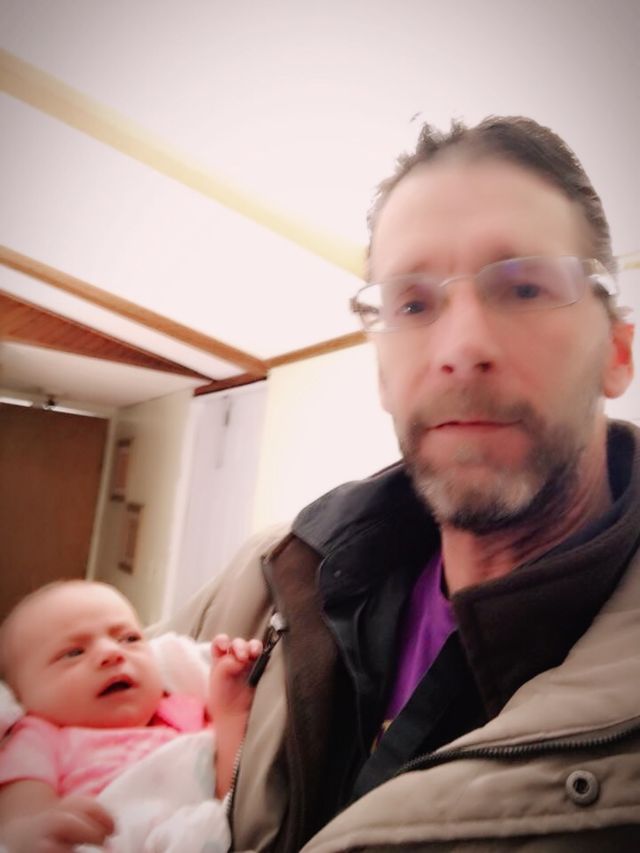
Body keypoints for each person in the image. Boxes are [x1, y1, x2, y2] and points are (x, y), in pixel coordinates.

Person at [161, 114, 640, 852]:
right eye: (413, 304)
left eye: (524, 287)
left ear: (616, 352)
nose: (462, 347)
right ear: (383, 374)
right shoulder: (268, 578)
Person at [0, 580, 262, 852]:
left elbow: (228, 790)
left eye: (129, 639)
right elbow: (21, 817)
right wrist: (32, 833)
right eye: (74, 653)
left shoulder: (184, 709)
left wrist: (230, 711)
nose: (112, 653)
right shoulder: (37, 737)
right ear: (21, 696)